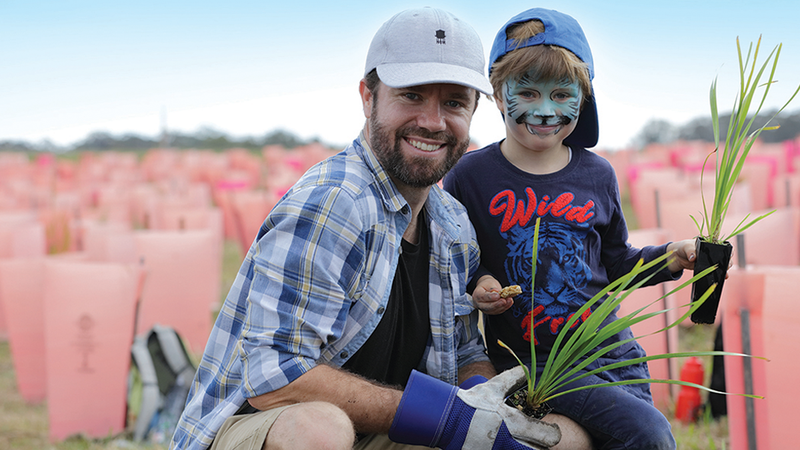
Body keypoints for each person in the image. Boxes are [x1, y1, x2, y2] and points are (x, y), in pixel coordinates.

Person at [170, 7, 578, 450]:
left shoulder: (452, 224)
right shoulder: (334, 202)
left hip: (377, 430)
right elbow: (275, 376)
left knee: (563, 438)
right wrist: (447, 418)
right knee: (319, 431)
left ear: (475, 111)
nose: (433, 121)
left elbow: (464, 354)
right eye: (412, 96)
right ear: (368, 97)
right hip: (260, 424)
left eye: (454, 103)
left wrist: (485, 405)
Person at [443, 8, 699, 450]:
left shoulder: (597, 174)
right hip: (541, 363)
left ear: (584, 96)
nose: (545, 110)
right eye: (527, 92)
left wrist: (672, 256)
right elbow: (460, 262)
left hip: (613, 352)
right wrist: (481, 284)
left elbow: (616, 262)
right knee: (650, 436)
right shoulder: (470, 175)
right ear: (499, 96)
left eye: (562, 94)